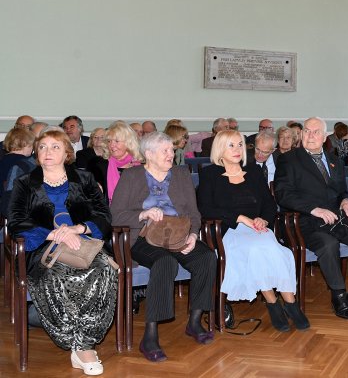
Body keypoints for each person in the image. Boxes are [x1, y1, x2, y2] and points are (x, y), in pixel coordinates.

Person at [8, 129, 117, 376]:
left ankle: (83, 343)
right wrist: (53, 234)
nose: (48, 152)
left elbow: (104, 215)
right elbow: (15, 221)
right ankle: (81, 346)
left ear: (67, 152)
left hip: (83, 244)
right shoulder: (24, 183)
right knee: (55, 276)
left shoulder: (85, 178)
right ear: (36, 152)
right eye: (43, 147)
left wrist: (79, 228)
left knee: (103, 269)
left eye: (55, 147)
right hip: (44, 247)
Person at [111, 132, 216, 362]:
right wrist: (142, 214)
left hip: (178, 235)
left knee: (206, 258)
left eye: (172, 150)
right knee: (164, 262)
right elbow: (116, 215)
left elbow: (193, 212)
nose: (172, 154)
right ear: (148, 154)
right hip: (142, 238)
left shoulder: (181, 174)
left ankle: (195, 322)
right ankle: (150, 335)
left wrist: (192, 234)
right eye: (165, 151)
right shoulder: (132, 175)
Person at [197, 130, 309, 332]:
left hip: (258, 229)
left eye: (240, 144)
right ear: (220, 149)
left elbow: (269, 203)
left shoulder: (254, 171)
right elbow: (206, 208)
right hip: (229, 232)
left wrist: (263, 218)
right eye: (231, 145)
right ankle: (274, 304)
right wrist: (240, 218)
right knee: (259, 250)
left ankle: (290, 304)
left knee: (277, 251)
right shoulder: (209, 174)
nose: (238, 149)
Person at [275, 117, 348, 320]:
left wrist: (347, 201)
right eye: (307, 131)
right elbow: (283, 194)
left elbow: (341, 190)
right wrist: (314, 209)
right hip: (305, 221)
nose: (311, 136)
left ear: (324, 137)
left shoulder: (334, 159)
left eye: (316, 132)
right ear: (301, 134)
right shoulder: (289, 159)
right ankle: (339, 296)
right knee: (328, 244)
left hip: (336, 219)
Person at [88, 121, 142, 202]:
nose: (112, 145)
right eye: (109, 141)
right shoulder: (99, 166)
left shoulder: (140, 167)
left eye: (116, 141)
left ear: (128, 143)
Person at [1, 127, 36, 215]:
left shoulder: (3, 160)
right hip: (14, 204)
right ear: (26, 144)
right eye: (32, 145)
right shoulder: (26, 164)